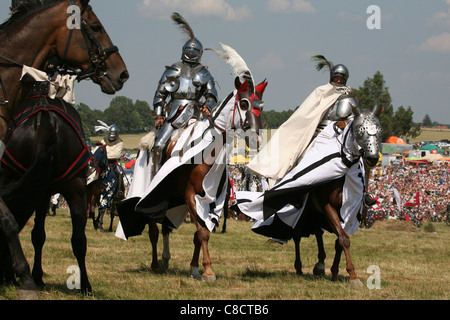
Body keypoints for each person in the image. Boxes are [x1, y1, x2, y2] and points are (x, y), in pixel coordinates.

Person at [151, 12, 218, 177]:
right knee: (159, 146)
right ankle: (155, 181)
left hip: (197, 115)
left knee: (214, 145)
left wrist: (208, 106)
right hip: (175, 114)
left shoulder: (204, 73)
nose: (191, 54)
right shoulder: (173, 70)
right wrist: (159, 115)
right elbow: (160, 95)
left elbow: (212, 94)